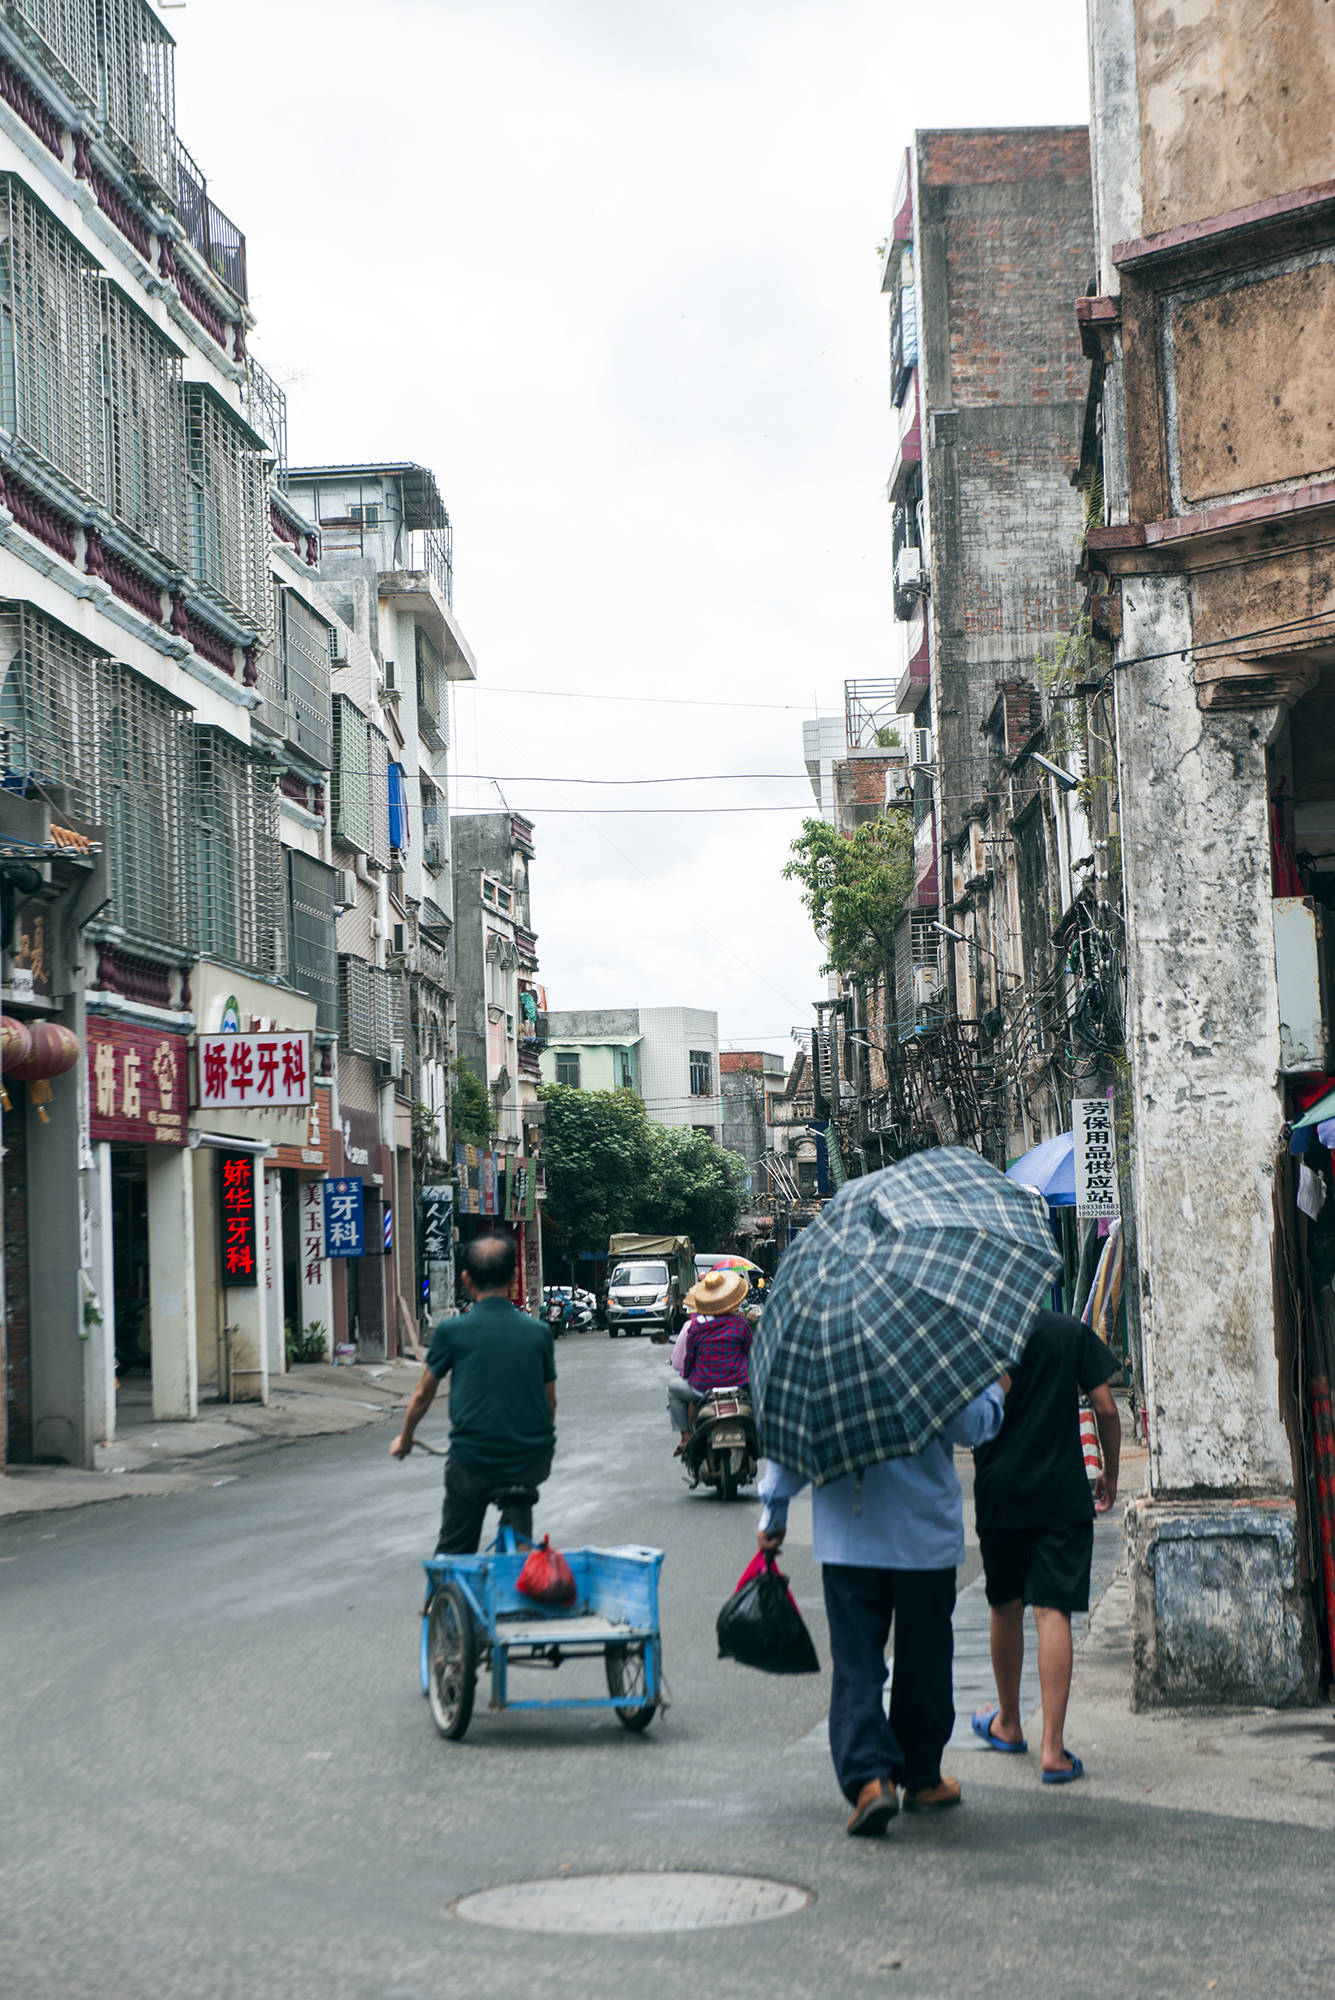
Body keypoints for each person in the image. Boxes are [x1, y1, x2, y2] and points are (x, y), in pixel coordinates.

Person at [757, 1380, 1005, 1836]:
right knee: (925, 1659)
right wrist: (994, 1391)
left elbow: (791, 1435)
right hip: (923, 1535)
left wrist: (773, 1513)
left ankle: (871, 1778)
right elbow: (974, 1426)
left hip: (849, 1538)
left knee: (857, 1661)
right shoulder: (930, 1339)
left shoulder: (828, 1347)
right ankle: (923, 1777)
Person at [970, 1309, 1121, 1784]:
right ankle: (1053, 1750)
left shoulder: (984, 1332)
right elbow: (1108, 1408)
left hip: (1000, 1492)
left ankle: (1009, 1723)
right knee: (1052, 1610)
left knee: (1005, 1605)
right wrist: (1110, 1472)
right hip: (1060, 1493)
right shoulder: (1069, 1332)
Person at [389, 1233, 557, 1554]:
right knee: (519, 1527)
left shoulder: (452, 1332)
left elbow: (423, 1394)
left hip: (473, 1462)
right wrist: (536, 1442)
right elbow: (550, 1402)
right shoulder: (538, 1333)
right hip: (531, 1461)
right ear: (512, 1277)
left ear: (466, 1279)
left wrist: (406, 1439)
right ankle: (520, 1560)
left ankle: (444, 1594)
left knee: (454, 1549)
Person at [667, 1266, 753, 1453]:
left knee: (674, 1388)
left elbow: (688, 1359)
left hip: (703, 1388)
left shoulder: (695, 1327)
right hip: (739, 1384)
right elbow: (750, 1354)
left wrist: (686, 1375)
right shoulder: (740, 1324)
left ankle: (685, 1437)